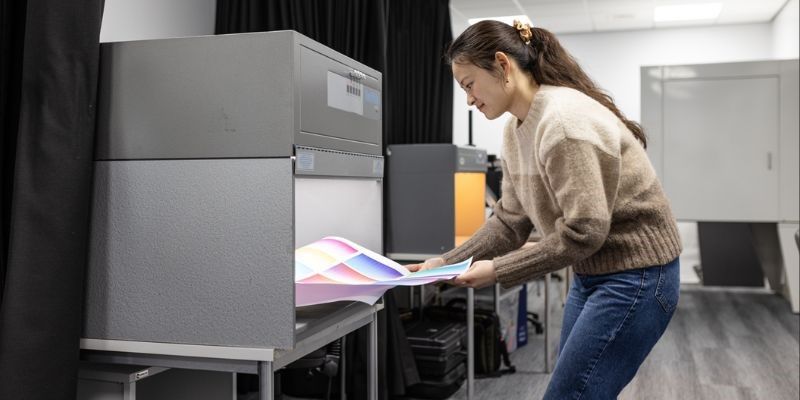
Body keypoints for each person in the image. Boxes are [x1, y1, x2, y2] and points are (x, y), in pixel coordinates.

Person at [407, 20, 682, 399]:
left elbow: (585, 232)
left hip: (637, 277)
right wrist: (446, 262)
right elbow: (509, 221)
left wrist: (498, 270)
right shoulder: (516, 128)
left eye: (469, 84)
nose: (468, 99)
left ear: (502, 65)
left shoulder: (563, 123)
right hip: (593, 275)